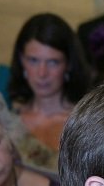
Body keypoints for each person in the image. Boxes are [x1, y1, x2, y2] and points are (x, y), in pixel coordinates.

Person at [8, 13, 91, 172]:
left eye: (53, 62)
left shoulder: (86, 124)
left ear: (69, 64)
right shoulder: (7, 124)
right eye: (33, 60)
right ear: (21, 60)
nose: (42, 73)